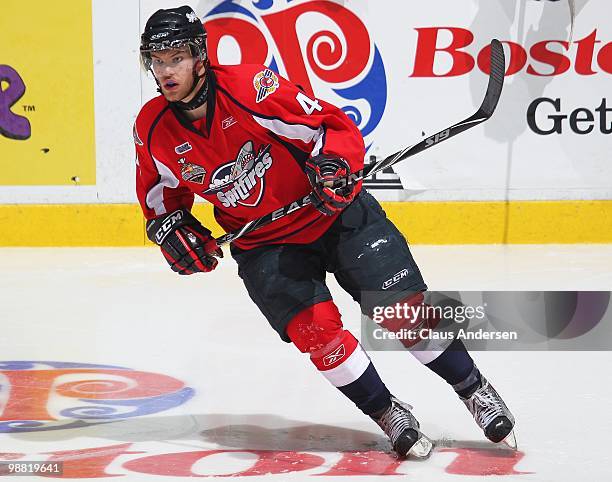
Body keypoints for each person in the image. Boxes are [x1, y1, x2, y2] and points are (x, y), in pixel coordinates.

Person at [134, 5, 516, 458]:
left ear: (199, 57)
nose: (165, 71)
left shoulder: (250, 88)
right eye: (157, 61)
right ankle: (387, 411)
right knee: (318, 336)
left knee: (404, 311)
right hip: (265, 245)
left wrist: (333, 166)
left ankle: (473, 388)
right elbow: (160, 200)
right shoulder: (152, 127)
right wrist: (173, 232)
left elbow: (332, 127)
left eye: (175, 57)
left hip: (336, 216)